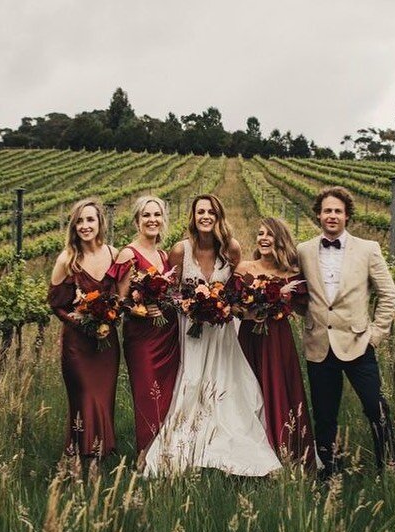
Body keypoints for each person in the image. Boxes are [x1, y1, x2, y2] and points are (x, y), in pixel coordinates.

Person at [144, 194, 281, 476]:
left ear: (219, 217)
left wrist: (227, 306)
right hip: (191, 331)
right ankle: (188, 441)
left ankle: (233, 443)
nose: (205, 216)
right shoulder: (181, 250)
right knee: (192, 382)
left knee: (232, 386)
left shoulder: (230, 249)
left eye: (211, 212)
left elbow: (233, 291)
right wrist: (188, 304)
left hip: (222, 331)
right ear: (193, 217)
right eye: (200, 212)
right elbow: (170, 292)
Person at [297, 186, 395, 476]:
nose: (332, 216)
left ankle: (388, 467)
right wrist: (311, 317)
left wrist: (376, 334)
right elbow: (299, 296)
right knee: (325, 416)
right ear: (318, 214)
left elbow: (388, 294)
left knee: (375, 408)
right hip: (319, 344)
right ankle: (327, 471)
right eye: (327, 210)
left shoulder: (368, 249)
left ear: (347, 216)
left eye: (337, 211)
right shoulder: (303, 250)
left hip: (358, 344)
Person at [236, 217, 315, 468]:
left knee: (279, 386)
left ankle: (285, 449)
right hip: (250, 337)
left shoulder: (291, 273)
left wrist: (282, 307)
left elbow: (303, 305)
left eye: (269, 234)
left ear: (280, 239)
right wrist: (250, 313)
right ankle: (250, 453)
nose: (263, 238)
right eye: (260, 234)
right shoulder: (244, 268)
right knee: (248, 390)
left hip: (278, 340)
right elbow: (232, 306)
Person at [107, 196, 180, 456]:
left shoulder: (163, 255)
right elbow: (120, 300)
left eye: (157, 215)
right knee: (148, 395)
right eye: (146, 215)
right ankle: (146, 456)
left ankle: (167, 454)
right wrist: (140, 308)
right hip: (143, 338)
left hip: (168, 335)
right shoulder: (128, 253)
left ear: (163, 219)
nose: (152, 220)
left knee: (168, 395)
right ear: (137, 221)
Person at [48, 198, 120, 461]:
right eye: (79, 220)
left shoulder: (114, 254)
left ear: (100, 222)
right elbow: (56, 305)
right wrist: (80, 321)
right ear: (73, 226)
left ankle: (103, 449)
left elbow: (120, 297)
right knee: (85, 395)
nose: (85, 225)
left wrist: (111, 317)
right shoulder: (68, 259)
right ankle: (82, 451)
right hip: (78, 344)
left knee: (104, 395)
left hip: (107, 342)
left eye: (90, 219)